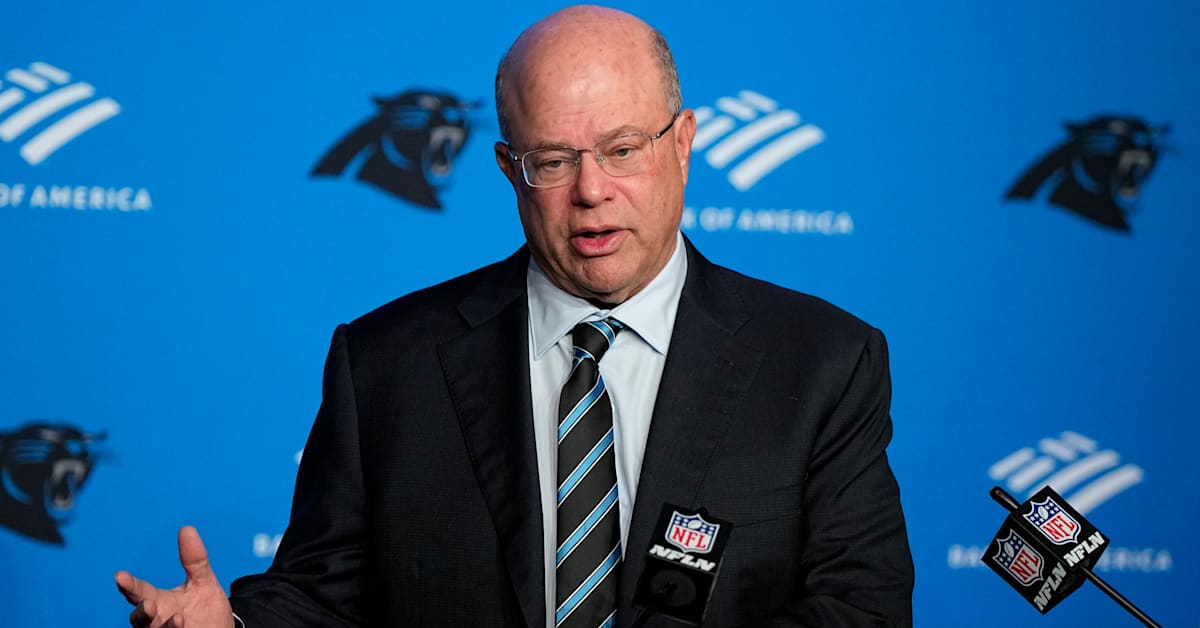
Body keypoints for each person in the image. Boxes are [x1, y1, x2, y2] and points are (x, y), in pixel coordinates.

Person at [116, 5, 914, 626]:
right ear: (508, 169)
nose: (591, 190)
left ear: (683, 143)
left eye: (623, 149)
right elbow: (323, 597)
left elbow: (861, 607)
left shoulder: (821, 361)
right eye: (553, 160)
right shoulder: (386, 363)